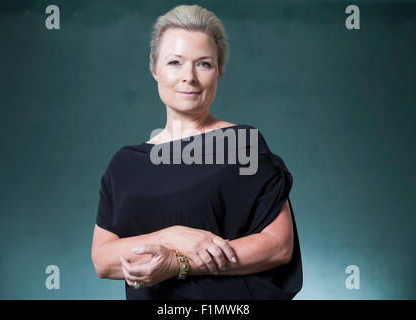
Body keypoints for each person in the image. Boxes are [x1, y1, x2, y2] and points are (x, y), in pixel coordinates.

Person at [91, 4, 302, 300]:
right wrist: (171, 236)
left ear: (219, 72)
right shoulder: (124, 165)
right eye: (175, 62)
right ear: (154, 69)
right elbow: (103, 260)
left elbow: (278, 247)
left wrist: (180, 263)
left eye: (203, 63)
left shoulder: (242, 145)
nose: (188, 76)